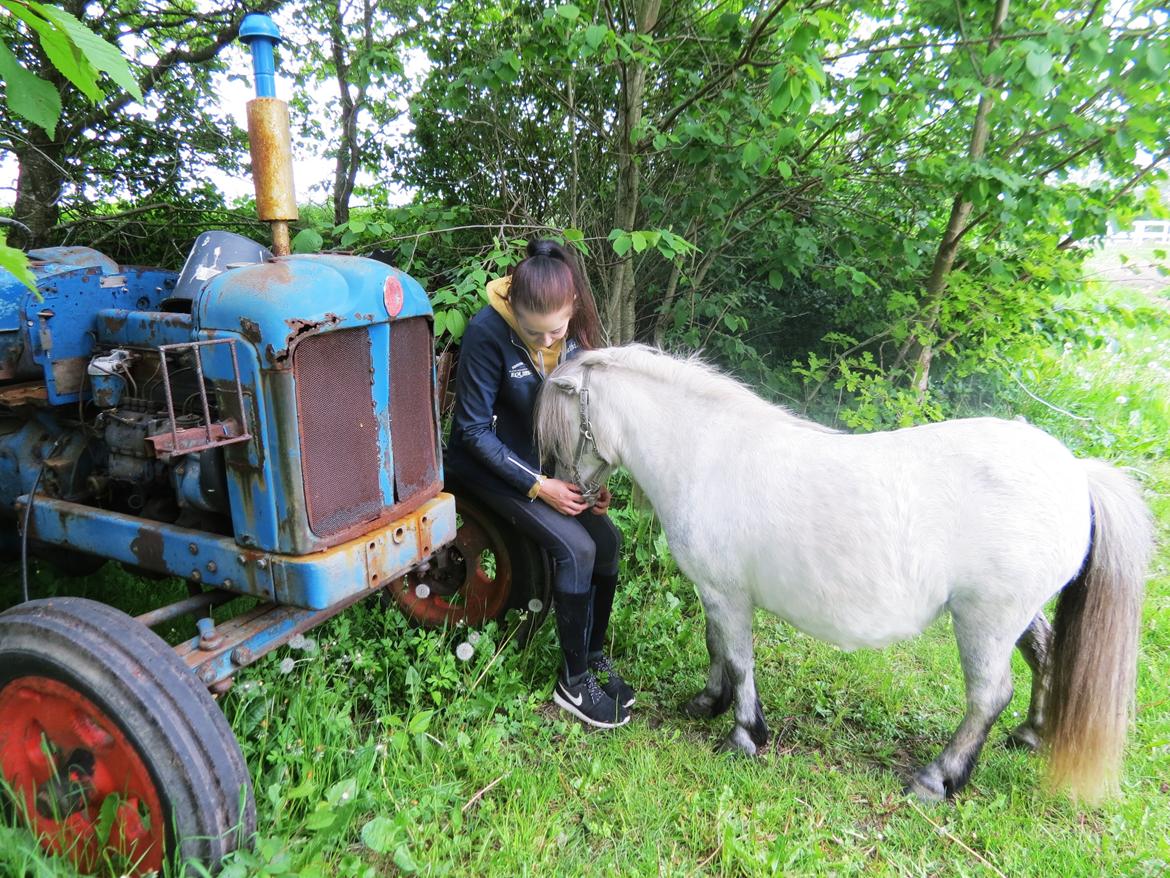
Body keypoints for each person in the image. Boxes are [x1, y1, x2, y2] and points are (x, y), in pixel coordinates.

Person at [444, 239, 634, 729]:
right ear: (514, 306)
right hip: (486, 467)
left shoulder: (573, 332)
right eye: (535, 331)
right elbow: (471, 431)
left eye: (558, 329)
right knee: (578, 550)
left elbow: (578, 417)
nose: (548, 340)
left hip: (546, 468)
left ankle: (592, 656)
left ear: (572, 307)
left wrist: (587, 481)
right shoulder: (486, 332)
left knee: (607, 543)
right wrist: (540, 486)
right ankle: (573, 684)